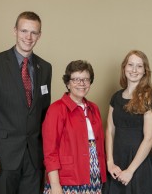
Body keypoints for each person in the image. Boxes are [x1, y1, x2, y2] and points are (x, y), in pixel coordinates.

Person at [0, 11, 52, 194]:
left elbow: (44, 114)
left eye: (34, 32)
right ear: (15, 31)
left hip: (34, 158)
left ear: (39, 35)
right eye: (24, 31)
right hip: (3, 156)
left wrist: (46, 156)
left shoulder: (46, 67)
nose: (28, 37)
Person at [42, 60, 106, 194]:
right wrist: (55, 185)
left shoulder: (94, 108)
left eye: (86, 79)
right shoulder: (56, 109)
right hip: (67, 180)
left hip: (94, 178)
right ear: (68, 83)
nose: (81, 84)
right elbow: (50, 151)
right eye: (76, 79)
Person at [103, 50, 152, 194]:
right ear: (124, 68)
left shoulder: (149, 98)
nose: (134, 70)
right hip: (116, 163)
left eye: (139, 66)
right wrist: (110, 162)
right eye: (130, 65)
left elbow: (149, 139)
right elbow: (110, 130)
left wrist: (130, 171)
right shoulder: (116, 97)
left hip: (138, 164)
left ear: (144, 71)